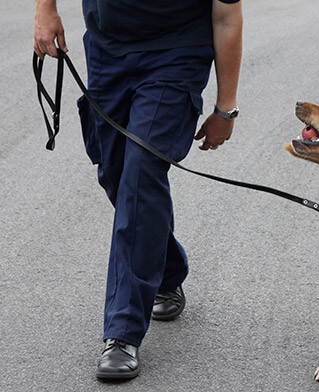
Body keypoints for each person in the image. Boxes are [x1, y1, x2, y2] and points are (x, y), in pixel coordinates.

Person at [33, 0, 243, 380]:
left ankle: (122, 332)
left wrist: (225, 108)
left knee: (140, 176)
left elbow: (226, 16)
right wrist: (44, 10)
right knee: (115, 173)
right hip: (106, 49)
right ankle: (166, 270)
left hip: (176, 52)